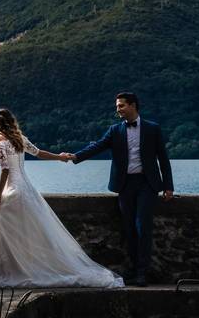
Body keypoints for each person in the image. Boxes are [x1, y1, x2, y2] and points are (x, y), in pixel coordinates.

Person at [0, 109, 124, 288]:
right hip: (28, 191)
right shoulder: (19, 138)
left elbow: (5, 170)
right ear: (10, 121)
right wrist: (59, 157)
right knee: (30, 234)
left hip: (13, 191)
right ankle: (28, 267)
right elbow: (39, 153)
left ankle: (15, 270)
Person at [62, 92, 174, 287]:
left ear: (133, 106)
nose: (118, 109)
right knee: (129, 229)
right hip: (125, 185)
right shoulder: (115, 130)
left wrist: (168, 186)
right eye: (117, 106)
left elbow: (163, 158)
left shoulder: (152, 129)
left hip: (147, 184)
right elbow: (97, 146)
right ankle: (133, 269)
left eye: (121, 105)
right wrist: (75, 156)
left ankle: (142, 272)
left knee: (142, 226)